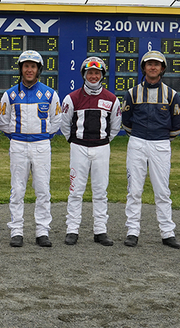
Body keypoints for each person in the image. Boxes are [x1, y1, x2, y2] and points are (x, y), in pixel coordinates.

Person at [0, 50, 62, 247]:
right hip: (17, 145)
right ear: (21, 69)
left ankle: (42, 231)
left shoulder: (50, 94)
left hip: (42, 145)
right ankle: (16, 231)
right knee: (17, 189)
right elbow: (2, 121)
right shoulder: (10, 94)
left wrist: (43, 136)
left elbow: (57, 120)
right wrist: (17, 136)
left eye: (33, 66)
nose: (29, 70)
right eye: (26, 66)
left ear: (39, 69)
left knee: (42, 189)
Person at [121, 49, 180, 249]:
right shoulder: (131, 93)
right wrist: (140, 138)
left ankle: (167, 233)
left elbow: (177, 125)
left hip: (161, 144)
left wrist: (160, 140)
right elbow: (126, 122)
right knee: (134, 190)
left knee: (162, 191)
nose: (153, 67)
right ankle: (132, 232)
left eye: (157, 64)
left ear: (162, 68)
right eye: (149, 64)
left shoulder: (172, 95)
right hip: (137, 142)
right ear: (144, 68)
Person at [60, 57, 121, 246]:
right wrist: (74, 141)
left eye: (97, 73)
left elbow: (115, 126)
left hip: (102, 147)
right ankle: (72, 230)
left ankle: (100, 231)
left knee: (100, 191)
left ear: (102, 75)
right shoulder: (72, 98)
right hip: (78, 147)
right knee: (75, 191)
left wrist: (103, 142)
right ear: (84, 75)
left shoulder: (112, 99)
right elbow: (64, 124)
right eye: (90, 73)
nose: (93, 76)